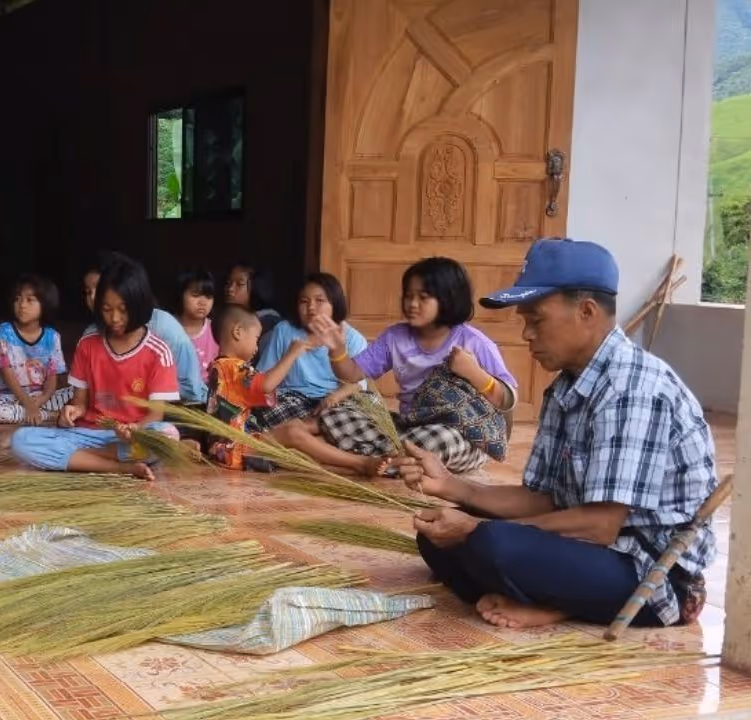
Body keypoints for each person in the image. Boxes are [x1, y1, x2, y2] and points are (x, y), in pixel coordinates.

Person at [392, 238, 716, 631]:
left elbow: (601, 525)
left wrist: (478, 530)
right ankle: (552, 597)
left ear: (586, 312)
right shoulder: (567, 387)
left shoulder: (631, 388)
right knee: (437, 536)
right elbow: (544, 499)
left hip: (651, 575)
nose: (527, 334)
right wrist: (453, 487)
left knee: (487, 543)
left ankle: (558, 604)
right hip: (595, 549)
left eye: (537, 319)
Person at [309, 257, 517, 473]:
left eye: (423, 298)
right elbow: (352, 375)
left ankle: (361, 459)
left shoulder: (473, 341)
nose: (412, 304)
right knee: (337, 413)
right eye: (409, 296)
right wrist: (337, 350)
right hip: (412, 427)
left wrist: (474, 373)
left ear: (448, 299)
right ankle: (392, 460)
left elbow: (508, 399)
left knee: (441, 440)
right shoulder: (395, 337)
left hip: (461, 436)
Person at [11, 256, 181, 480]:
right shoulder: (88, 345)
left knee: (167, 435)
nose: (115, 318)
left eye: (123, 309)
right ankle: (120, 467)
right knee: (21, 440)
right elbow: (80, 403)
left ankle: (82, 459)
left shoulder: (158, 352)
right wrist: (72, 412)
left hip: (132, 437)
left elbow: (155, 414)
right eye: (107, 309)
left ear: (139, 304)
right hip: (87, 434)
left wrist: (134, 430)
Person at [207, 306, 386, 476]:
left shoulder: (218, 366)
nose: (256, 348)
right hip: (234, 449)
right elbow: (266, 385)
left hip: (232, 445)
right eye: (256, 339)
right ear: (237, 332)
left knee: (295, 431)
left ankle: (351, 458)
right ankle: (360, 463)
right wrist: (293, 353)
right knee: (293, 432)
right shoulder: (233, 368)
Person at [81, 254, 207, 404]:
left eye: (99, 287)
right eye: (88, 291)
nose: (94, 297)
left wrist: (140, 387)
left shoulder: (163, 326)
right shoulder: (90, 337)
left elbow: (191, 390)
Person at [256, 273, 368, 421]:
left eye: (320, 300)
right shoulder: (284, 331)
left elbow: (360, 383)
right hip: (292, 400)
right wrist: (292, 353)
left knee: (369, 404)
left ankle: (304, 432)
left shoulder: (353, 338)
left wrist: (335, 396)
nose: (311, 308)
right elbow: (261, 380)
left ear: (335, 304)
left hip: (334, 400)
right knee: (268, 409)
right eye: (304, 301)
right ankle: (317, 432)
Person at [0, 274, 74, 424]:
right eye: (18, 299)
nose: (22, 305)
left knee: (79, 391)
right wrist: (27, 403)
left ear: (45, 304)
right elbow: (7, 373)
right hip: (11, 396)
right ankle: (51, 416)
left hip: (41, 397)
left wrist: (41, 400)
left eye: (29, 300)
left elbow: (52, 378)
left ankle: (37, 413)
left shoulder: (52, 337)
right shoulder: (5, 332)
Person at [174, 267, 218, 381]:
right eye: (195, 295)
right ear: (180, 295)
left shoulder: (216, 329)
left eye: (208, 297)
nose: (203, 302)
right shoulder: (167, 328)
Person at [223, 260, 282, 338]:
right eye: (228, 283)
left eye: (239, 284)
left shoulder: (269, 324)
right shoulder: (223, 320)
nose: (230, 289)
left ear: (256, 287)